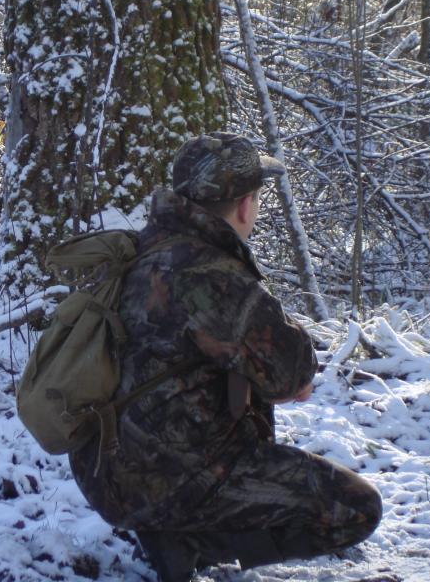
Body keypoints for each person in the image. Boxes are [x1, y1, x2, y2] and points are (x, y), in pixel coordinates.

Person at [68, 132, 382, 582]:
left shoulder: (139, 249)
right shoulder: (214, 275)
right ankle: (188, 541)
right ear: (244, 205)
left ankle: (170, 530)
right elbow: (293, 377)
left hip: (104, 476)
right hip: (168, 484)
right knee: (358, 507)